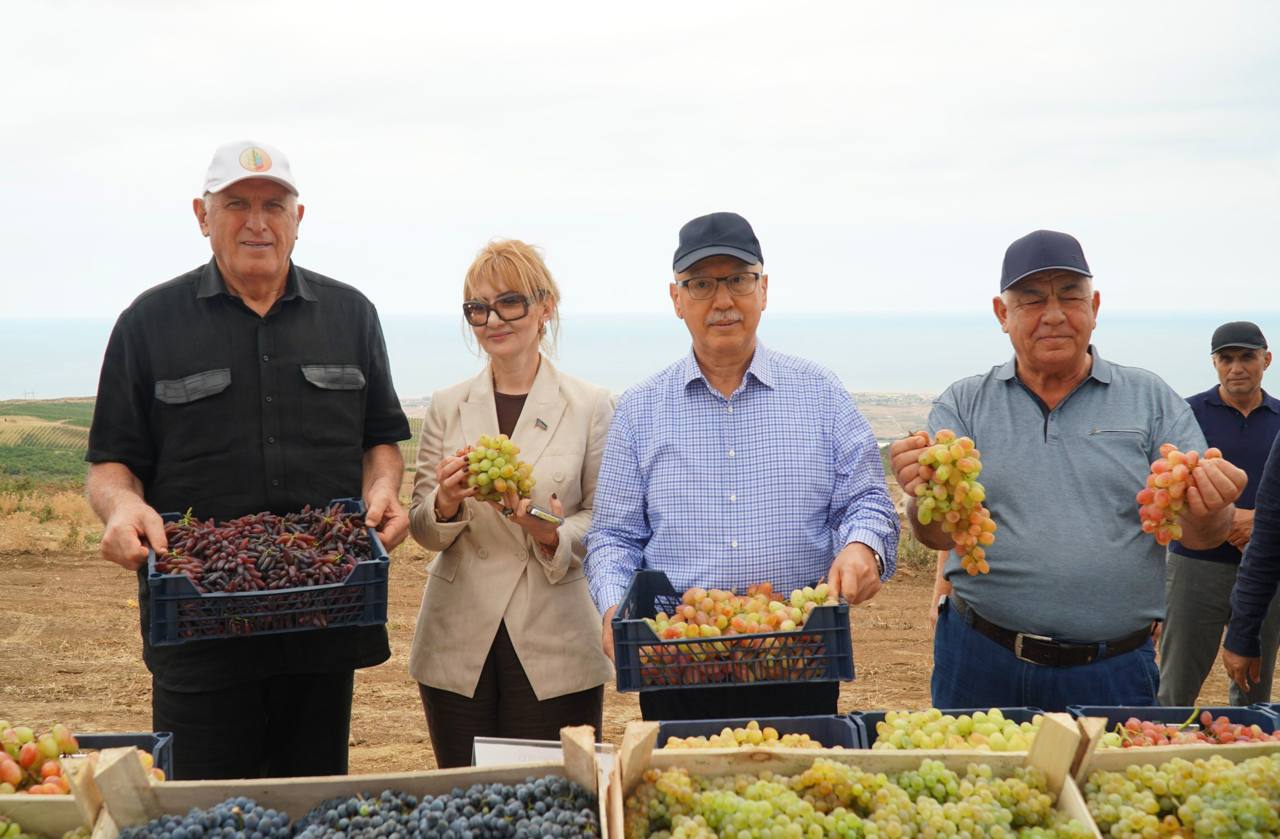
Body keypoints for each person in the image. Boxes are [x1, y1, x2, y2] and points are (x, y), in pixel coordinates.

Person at [85, 141, 411, 779]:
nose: (256, 221)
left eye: (273, 205)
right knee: (204, 811)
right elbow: (111, 464)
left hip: (324, 617)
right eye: (237, 204)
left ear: (298, 217)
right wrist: (122, 506)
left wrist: (384, 487)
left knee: (312, 807)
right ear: (203, 216)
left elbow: (380, 440)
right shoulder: (147, 323)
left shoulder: (352, 315)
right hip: (197, 619)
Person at [889, 229, 1247, 711]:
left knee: (1106, 788)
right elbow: (936, 534)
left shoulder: (1149, 398)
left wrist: (1213, 507)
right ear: (1003, 314)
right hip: (979, 658)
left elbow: (1204, 534)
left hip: (1112, 671)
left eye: (1070, 296)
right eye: (1032, 299)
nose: (1053, 315)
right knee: (972, 784)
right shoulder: (964, 403)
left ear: (1094, 307)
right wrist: (918, 492)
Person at [584, 211, 900, 721]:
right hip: (676, 667)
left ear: (764, 289)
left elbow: (866, 500)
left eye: (738, 279)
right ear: (677, 299)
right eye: (702, 284)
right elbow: (613, 537)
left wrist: (863, 546)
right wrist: (615, 605)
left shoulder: (820, 394)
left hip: (801, 660)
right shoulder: (640, 410)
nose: (723, 300)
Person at [407, 239, 614, 768]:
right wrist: (447, 503)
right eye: (478, 308)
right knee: (464, 803)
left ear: (546, 307)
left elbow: (606, 521)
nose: (493, 319)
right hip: (458, 639)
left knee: (551, 802)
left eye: (509, 302)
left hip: (555, 638)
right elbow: (423, 526)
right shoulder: (447, 404)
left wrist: (548, 530)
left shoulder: (591, 405)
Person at [1160, 322, 1280, 705]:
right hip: (1196, 568)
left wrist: (1257, 523)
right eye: (1226, 358)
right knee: (1176, 687)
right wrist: (1231, 522)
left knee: (1254, 690)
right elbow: (1166, 492)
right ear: (1214, 363)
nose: (1237, 367)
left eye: (1247, 357)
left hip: (1265, 575)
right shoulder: (1186, 415)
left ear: (1267, 359)